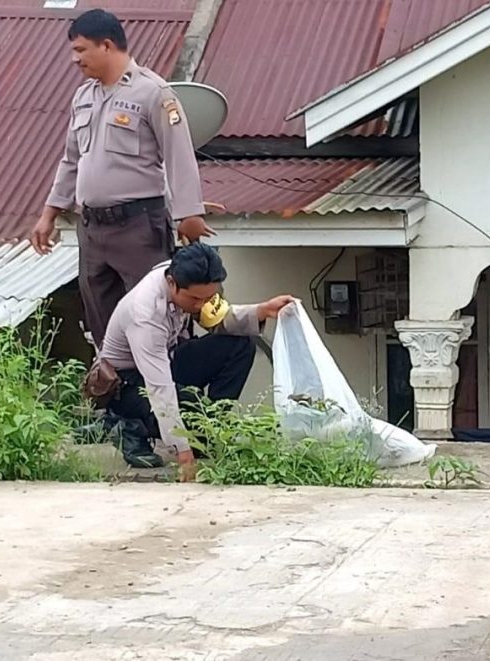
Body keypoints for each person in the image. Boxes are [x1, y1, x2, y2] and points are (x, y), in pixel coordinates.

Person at [31, 8, 215, 349]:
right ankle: (117, 397)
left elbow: (179, 154)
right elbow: (71, 159)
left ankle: (166, 394)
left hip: (138, 226)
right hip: (93, 229)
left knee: (155, 316)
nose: (75, 59)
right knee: (103, 324)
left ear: (106, 45)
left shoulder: (152, 92)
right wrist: (49, 214)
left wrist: (189, 214)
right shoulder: (84, 96)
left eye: (81, 50)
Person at [99, 243, 294, 480]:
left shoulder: (192, 285)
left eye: (208, 298)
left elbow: (220, 318)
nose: (201, 306)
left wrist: (262, 310)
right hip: (127, 383)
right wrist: (183, 451)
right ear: (172, 283)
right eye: (195, 299)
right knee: (190, 409)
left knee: (241, 344)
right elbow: (159, 388)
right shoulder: (146, 313)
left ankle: (214, 428)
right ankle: (127, 425)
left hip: (168, 358)